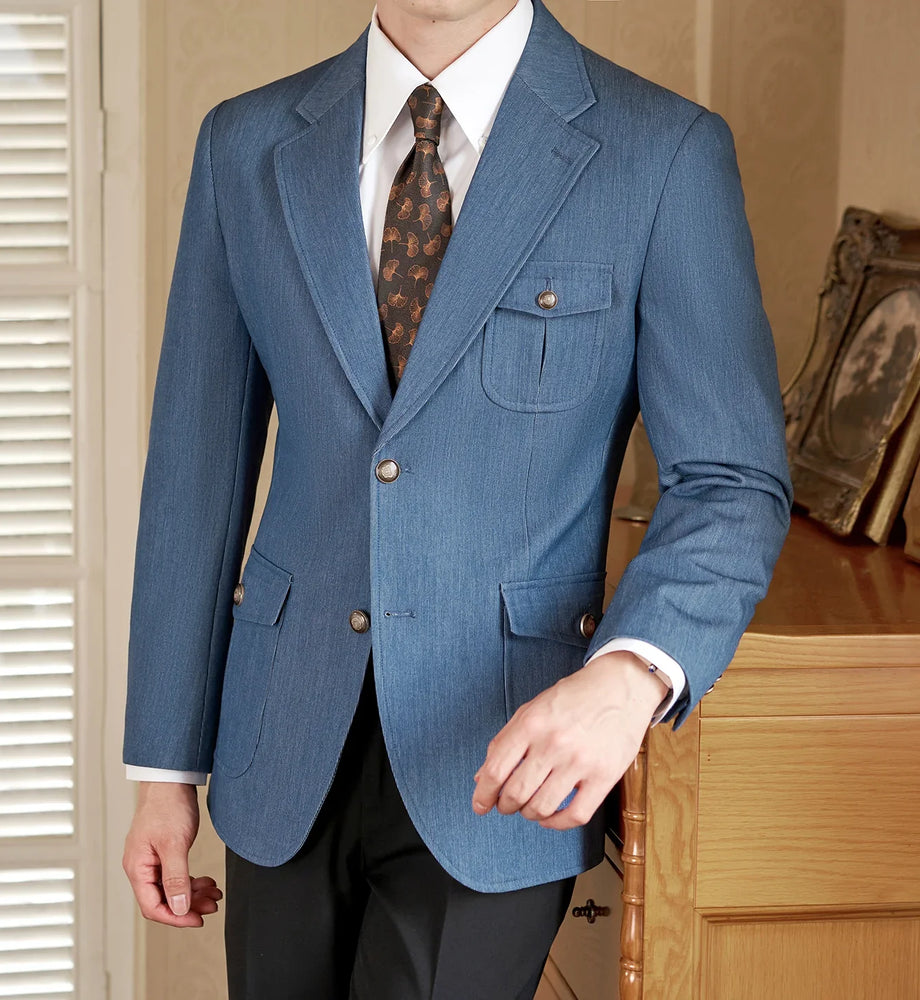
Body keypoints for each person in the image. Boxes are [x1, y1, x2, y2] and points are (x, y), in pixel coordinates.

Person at [122, 0, 792, 996]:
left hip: (502, 755)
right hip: (279, 742)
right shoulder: (246, 144)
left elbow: (730, 481)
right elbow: (194, 473)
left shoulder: (660, 152)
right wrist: (164, 770)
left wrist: (628, 679)